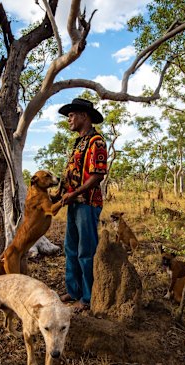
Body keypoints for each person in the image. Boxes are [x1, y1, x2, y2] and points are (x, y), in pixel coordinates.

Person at [56, 98, 107, 312]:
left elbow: (97, 176)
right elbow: (70, 174)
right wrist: (59, 195)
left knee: (86, 251)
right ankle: (74, 290)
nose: (69, 119)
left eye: (71, 115)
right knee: (70, 249)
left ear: (84, 116)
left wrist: (75, 193)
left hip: (87, 204)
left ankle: (87, 298)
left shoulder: (96, 142)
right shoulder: (78, 143)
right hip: (74, 204)